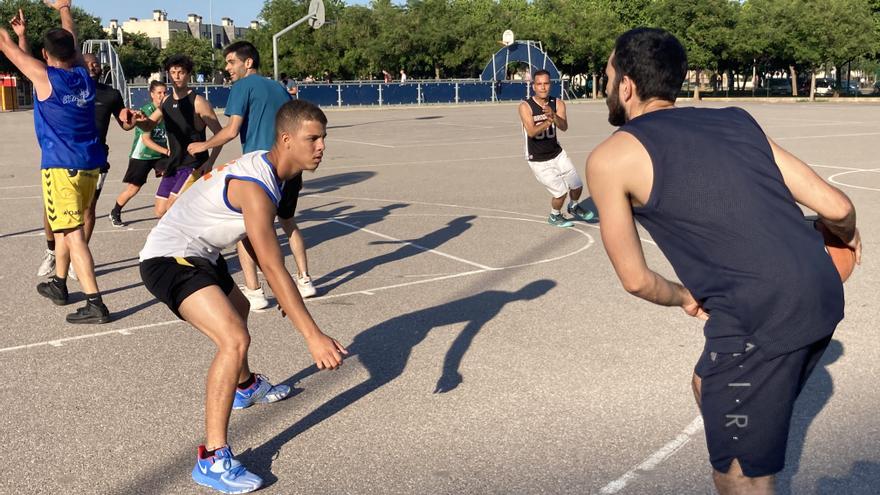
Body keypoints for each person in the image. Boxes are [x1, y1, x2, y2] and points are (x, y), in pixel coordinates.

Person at [585, 28, 861, 495]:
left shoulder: (612, 157)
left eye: (608, 75)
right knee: (705, 380)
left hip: (760, 313)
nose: (607, 85)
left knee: (741, 477)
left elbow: (635, 279)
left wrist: (684, 297)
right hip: (821, 292)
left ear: (626, 86)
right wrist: (848, 233)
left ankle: (746, 462)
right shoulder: (737, 119)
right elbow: (835, 206)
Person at [139, 99, 347, 494]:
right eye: (312, 138)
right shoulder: (257, 187)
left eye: (324, 138)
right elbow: (273, 264)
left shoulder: (269, 168)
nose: (321, 146)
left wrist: (285, 299)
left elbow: (251, 236)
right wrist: (313, 336)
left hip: (200, 252)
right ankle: (212, 458)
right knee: (233, 338)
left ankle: (246, 385)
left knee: (237, 308)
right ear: (286, 140)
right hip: (168, 258)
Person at [0, 0, 115, 323]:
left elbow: (6, 47)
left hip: (61, 167)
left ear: (45, 55)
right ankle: (59, 284)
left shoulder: (46, 77)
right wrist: (65, 6)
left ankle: (96, 302)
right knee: (67, 228)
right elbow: (70, 42)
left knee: (72, 233)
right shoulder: (83, 76)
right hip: (89, 164)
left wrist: (15, 38)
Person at [187, 41, 318, 310]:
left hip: (260, 170)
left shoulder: (242, 87)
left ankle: (255, 290)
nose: (227, 68)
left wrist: (204, 145)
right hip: (288, 166)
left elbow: (231, 130)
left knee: (246, 230)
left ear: (248, 63)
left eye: (231, 62)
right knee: (288, 222)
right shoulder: (279, 88)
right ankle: (305, 280)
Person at [139, 54, 223, 218]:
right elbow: (149, 125)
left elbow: (220, 134)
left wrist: (210, 161)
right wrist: (137, 121)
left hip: (193, 164)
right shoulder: (166, 101)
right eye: (173, 72)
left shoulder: (198, 102)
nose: (176, 76)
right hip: (173, 164)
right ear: (168, 74)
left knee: (172, 209)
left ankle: (190, 241)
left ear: (188, 74)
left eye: (181, 72)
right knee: (160, 212)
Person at [518, 69, 594, 227]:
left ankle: (573, 206)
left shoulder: (558, 103)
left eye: (546, 83)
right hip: (538, 158)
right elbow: (531, 132)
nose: (543, 87)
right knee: (560, 193)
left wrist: (554, 116)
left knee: (577, 185)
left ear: (550, 85)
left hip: (557, 153)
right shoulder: (526, 106)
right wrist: (548, 121)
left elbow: (564, 126)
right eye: (539, 84)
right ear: (533, 86)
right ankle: (555, 216)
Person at [109, 80, 169, 227]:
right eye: (159, 93)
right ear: (152, 94)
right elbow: (146, 140)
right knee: (133, 188)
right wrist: (167, 150)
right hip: (142, 154)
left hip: (160, 155)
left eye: (165, 92)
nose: (162, 95)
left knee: (171, 178)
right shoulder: (146, 111)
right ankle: (115, 211)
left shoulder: (168, 109)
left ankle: (168, 213)